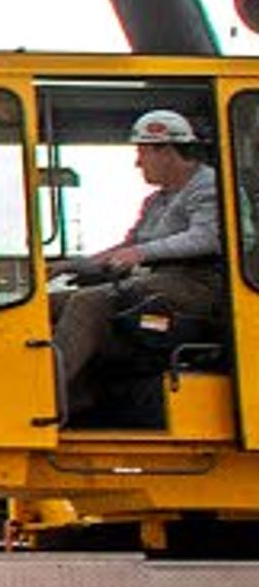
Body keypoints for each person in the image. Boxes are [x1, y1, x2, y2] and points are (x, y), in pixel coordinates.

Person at [53, 108, 226, 425]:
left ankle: (43, 399)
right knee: (49, 304)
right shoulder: (156, 201)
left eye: (142, 152)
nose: (138, 163)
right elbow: (126, 246)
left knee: (87, 303)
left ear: (167, 151)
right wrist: (71, 265)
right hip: (157, 284)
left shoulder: (210, 186)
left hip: (199, 287)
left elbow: (209, 237)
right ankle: (76, 397)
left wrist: (141, 253)